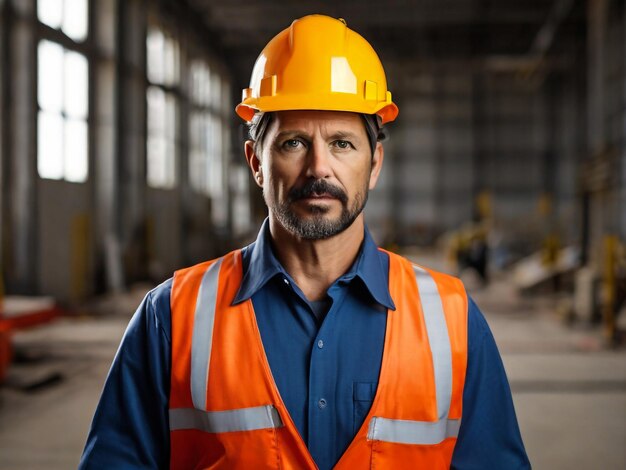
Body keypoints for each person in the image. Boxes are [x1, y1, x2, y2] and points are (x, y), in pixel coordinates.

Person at [79, 14, 530, 469]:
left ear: (375, 163)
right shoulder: (172, 318)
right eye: (294, 143)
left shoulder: (450, 321)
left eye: (342, 144)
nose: (318, 169)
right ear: (256, 161)